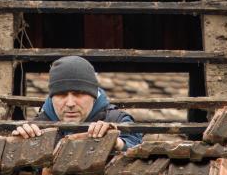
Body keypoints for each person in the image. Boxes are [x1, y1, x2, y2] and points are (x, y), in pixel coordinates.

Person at [12, 55, 142, 149]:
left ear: (93, 95)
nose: (70, 103)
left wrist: (115, 142)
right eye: (62, 95)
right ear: (51, 97)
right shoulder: (37, 127)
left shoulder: (117, 120)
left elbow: (135, 145)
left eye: (78, 94)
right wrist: (21, 144)